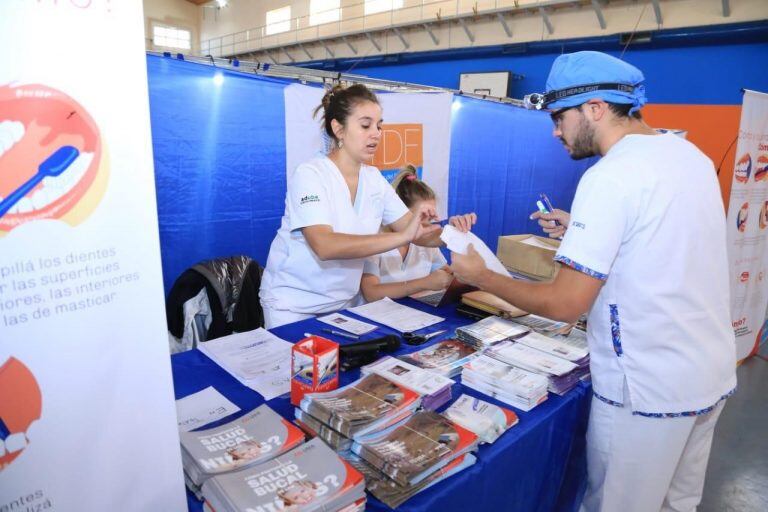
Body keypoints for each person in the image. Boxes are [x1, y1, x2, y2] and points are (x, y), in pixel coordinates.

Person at [450, 51, 737, 512]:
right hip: (707, 371)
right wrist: (582, 232)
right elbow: (664, 242)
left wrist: (480, 275)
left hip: (645, 388)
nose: (555, 131)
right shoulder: (690, 156)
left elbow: (565, 303)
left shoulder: (610, 176)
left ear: (595, 108)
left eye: (560, 117)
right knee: (677, 503)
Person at [259, 84, 475, 328]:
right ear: (338, 129)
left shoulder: (373, 179)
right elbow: (324, 245)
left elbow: (418, 233)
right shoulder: (310, 174)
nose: (376, 133)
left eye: (379, 125)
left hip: (344, 305)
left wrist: (451, 233)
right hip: (293, 307)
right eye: (365, 125)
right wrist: (403, 236)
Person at [360, 165, 472, 302]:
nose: (427, 226)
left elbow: (445, 273)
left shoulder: (427, 239)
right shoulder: (375, 242)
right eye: (421, 216)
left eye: (430, 218)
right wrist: (423, 283)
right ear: (397, 213)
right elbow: (371, 293)